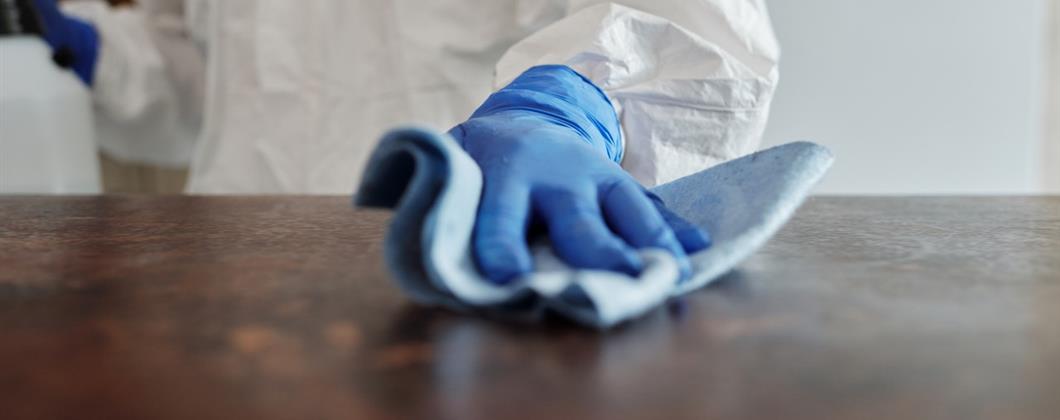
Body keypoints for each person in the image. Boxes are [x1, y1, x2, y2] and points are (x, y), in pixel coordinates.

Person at [37, 0, 780, 284]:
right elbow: (205, 84)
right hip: (231, 283)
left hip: (480, 262)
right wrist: (98, 52)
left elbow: (697, 24)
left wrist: (572, 99)